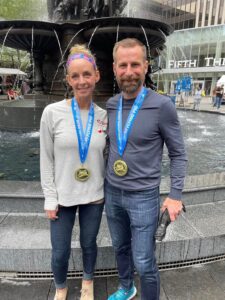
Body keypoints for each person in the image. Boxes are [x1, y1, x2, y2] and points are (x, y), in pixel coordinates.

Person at [105, 38, 187, 300]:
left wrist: (175, 195)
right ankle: (127, 288)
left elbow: (178, 153)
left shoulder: (162, 106)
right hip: (112, 191)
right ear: (114, 68)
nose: (129, 72)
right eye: (123, 65)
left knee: (144, 260)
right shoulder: (111, 104)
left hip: (143, 196)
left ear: (146, 66)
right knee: (119, 247)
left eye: (135, 64)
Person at [40, 44, 107, 300]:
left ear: (96, 75)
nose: (82, 81)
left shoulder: (104, 116)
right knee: (59, 251)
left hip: (94, 195)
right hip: (62, 197)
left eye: (87, 74)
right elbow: (46, 159)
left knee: (89, 244)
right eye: (76, 76)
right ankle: (60, 286)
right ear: (68, 79)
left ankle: (87, 282)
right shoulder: (52, 113)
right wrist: (49, 197)